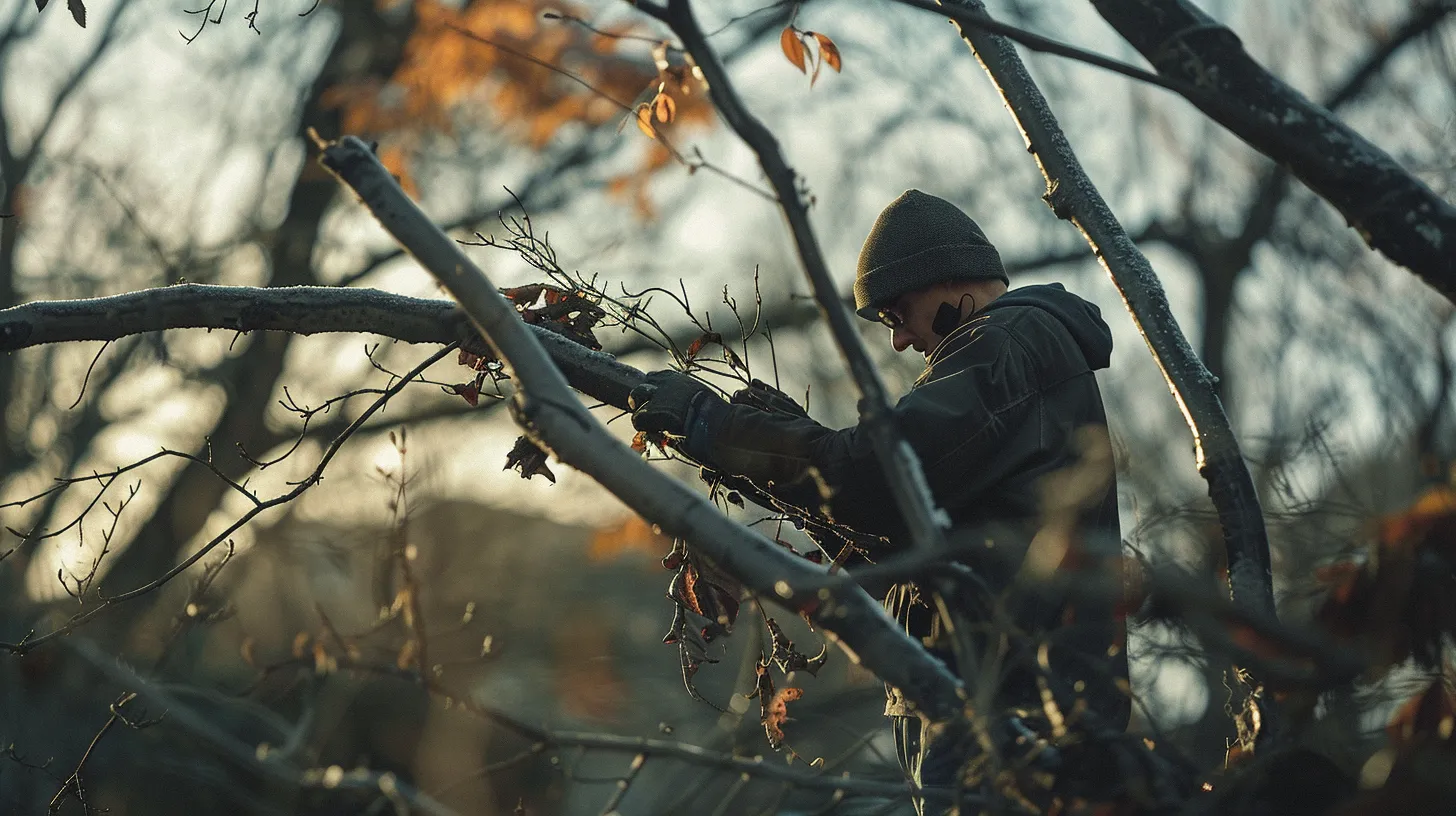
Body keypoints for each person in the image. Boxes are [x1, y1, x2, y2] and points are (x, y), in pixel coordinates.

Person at [629, 190, 1130, 805]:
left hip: (1009, 712)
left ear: (946, 280)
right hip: (984, 705)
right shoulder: (1014, 358)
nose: (898, 342)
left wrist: (721, 429)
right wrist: (767, 470)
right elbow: (896, 560)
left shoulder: (1008, 342)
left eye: (898, 315)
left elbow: (876, 477)